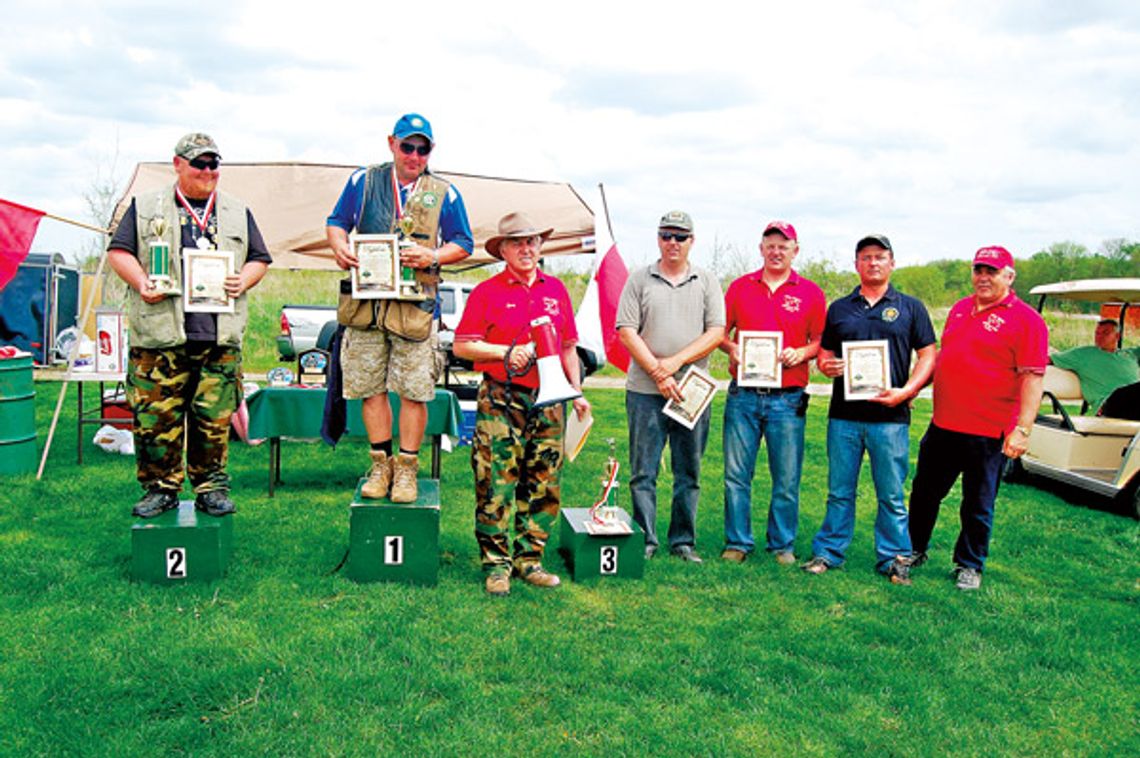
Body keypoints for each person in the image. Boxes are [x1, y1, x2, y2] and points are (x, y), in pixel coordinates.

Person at [107, 133, 271, 518]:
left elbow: (259, 258)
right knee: (157, 421)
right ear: (178, 164)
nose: (208, 171)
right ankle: (160, 489)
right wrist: (141, 281)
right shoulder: (145, 207)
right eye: (199, 163)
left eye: (214, 164)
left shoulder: (236, 211)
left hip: (218, 337)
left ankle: (210, 488)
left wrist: (243, 279)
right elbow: (119, 252)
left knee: (213, 421)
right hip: (160, 336)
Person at [326, 113, 473, 503]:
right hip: (366, 305)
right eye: (407, 146)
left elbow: (464, 243)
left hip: (415, 308)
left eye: (422, 148)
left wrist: (432, 254)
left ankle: (407, 469)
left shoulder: (445, 191)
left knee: (414, 391)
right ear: (392, 142)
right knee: (369, 389)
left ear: (430, 151)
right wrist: (339, 245)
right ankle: (380, 464)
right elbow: (336, 222)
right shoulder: (363, 180)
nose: (414, 155)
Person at [453, 213, 589, 596]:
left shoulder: (557, 290)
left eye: (532, 242)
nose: (526, 249)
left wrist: (575, 391)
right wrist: (504, 352)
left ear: (540, 247)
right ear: (504, 251)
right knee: (495, 481)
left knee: (544, 481)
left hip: (549, 402)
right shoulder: (487, 291)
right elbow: (463, 344)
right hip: (501, 398)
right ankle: (496, 565)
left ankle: (529, 560)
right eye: (517, 243)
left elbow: (567, 347)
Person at [908, 246, 1048, 591]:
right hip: (943, 424)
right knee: (924, 493)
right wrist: (912, 388)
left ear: (1009, 276)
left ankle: (969, 564)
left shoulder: (1028, 320)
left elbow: (1032, 378)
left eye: (992, 271)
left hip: (987, 430)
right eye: (978, 270)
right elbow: (944, 358)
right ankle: (913, 548)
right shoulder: (960, 309)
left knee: (978, 503)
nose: (983, 277)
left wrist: (1023, 430)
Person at [800, 234, 936, 584]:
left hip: (889, 418)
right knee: (839, 490)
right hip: (844, 417)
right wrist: (826, 366)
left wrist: (908, 390)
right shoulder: (840, 308)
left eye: (879, 257)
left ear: (892, 262)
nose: (872, 263)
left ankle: (893, 558)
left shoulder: (911, 307)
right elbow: (826, 354)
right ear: (856, 264)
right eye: (865, 257)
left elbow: (928, 355)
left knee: (890, 493)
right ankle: (828, 552)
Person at [616, 211, 725, 562]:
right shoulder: (639, 279)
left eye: (680, 236)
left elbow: (716, 332)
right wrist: (657, 372)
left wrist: (675, 364)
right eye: (667, 235)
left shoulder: (707, 280)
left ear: (692, 240)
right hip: (645, 391)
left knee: (688, 471)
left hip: (692, 390)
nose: (673, 243)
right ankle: (645, 539)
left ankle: (683, 541)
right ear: (658, 238)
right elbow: (626, 330)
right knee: (643, 470)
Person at [719, 221, 826, 565]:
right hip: (743, 395)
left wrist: (802, 353)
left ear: (796, 249)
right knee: (737, 474)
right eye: (771, 245)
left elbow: (821, 341)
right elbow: (718, 332)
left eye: (784, 245)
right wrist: (732, 348)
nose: (776, 251)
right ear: (761, 248)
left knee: (786, 477)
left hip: (787, 398)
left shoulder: (810, 292)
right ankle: (738, 542)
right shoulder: (739, 287)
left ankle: (782, 544)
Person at [1049, 319, 1140, 417]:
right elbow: (1048, 359)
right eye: (1097, 333)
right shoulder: (1083, 354)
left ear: (1117, 336)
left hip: (1133, 402)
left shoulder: (1130, 354)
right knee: (1126, 393)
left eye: (1105, 333)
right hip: (1110, 404)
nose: (1099, 337)